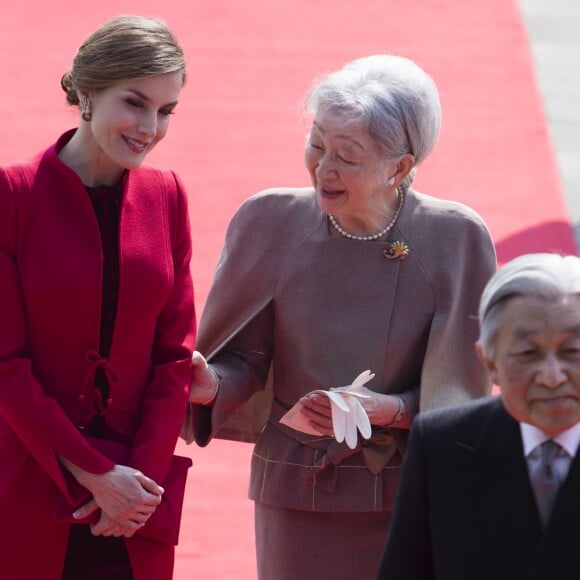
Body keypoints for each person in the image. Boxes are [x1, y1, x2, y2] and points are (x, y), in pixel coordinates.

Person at [182, 54, 496, 579]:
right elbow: (246, 357)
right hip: (298, 488)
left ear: (399, 167)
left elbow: (464, 390)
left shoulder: (454, 238)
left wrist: (390, 409)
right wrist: (210, 383)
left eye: (347, 156)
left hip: (411, 489)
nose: (323, 169)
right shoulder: (268, 221)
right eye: (317, 144)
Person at [0, 15, 196, 580]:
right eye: (134, 102)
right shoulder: (13, 196)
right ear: (86, 94)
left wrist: (139, 484)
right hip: (31, 485)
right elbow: (6, 365)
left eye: (166, 110)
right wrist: (94, 473)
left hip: (136, 507)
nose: (150, 126)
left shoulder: (167, 197)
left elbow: (175, 355)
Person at [378, 252, 580, 580]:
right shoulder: (446, 444)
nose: (552, 376)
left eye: (573, 352)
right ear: (488, 362)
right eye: (528, 354)